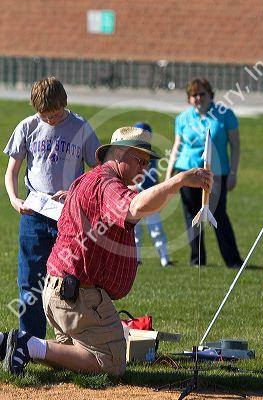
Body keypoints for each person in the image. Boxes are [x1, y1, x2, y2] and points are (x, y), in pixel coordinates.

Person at [1, 126, 213, 377]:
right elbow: (135, 208)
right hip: (77, 297)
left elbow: (139, 205)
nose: (145, 168)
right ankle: (26, 344)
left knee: (78, 360)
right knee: (111, 363)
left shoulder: (90, 179)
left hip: (58, 292)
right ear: (120, 154)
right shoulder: (108, 185)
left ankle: (15, 345)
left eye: (147, 162)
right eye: (140, 160)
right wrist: (178, 181)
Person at [3, 76, 100, 339]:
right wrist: (14, 199)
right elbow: (11, 171)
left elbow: (98, 173)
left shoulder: (80, 127)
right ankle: (29, 342)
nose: (50, 120)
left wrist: (73, 192)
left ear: (63, 104)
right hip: (34, 214)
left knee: (69, 281)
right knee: (30, 282)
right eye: (44, 115)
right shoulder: (27, 127)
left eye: (55, 114)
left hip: (68, 216)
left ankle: (68, 341)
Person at [166, 77, 243, 268]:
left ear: (211, 95)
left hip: (217, 173)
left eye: (202, 94)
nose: (198, 98)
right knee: (191, 215)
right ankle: (197, 260)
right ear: (189, 98)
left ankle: (233, 260)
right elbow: (177, 146)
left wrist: (233, 172)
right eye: (194, 95)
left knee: (219, 214)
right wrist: (169, 175)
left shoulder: (225, 115)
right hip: (187, 171)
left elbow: (235, 144)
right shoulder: (183, 119)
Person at [133, 121, 172, 267]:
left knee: (156, 228)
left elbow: (154, 176)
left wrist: (158, 194)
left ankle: (164, 259)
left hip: (150, 196)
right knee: (135, 231)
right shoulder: (130, 153)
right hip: (135, 195)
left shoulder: (151, 154)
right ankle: (136, 258)